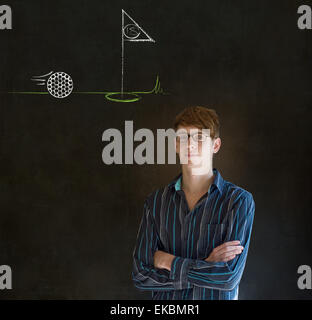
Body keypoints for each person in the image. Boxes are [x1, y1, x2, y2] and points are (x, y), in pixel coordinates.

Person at [132, 106, 255, 300]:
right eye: (183, 137)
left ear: (216, 145)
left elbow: (228, 277)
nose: (189, 145)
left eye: (199, 137)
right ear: (175, 144)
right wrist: (207, 264)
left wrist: (168, 261)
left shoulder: (238, 201)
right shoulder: (155, 202)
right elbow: (140, 276)